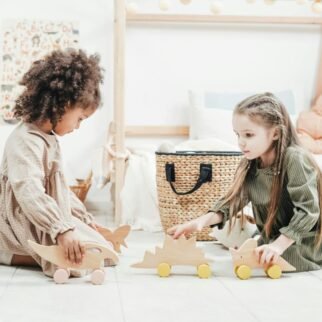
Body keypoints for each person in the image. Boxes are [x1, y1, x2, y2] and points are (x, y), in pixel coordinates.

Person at [168, 92, 322, 272]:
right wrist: (200, 222)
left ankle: (261, 243)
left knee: (261, 258)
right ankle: (256, 239)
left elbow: (308, 211)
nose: (241, 143)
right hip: (272, 238)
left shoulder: (294, 159)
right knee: (243, 246)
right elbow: (232, 202)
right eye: (238, 135)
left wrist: (278, 246)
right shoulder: (250, 164)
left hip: (303, 241)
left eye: (249, 135)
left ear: (276, 133)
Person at [0, 49, 112, 277]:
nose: (78, 127)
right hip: (22, 220)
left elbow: (61, 190)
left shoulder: (48, 138)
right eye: (80, 119)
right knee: (79, 259)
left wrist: (84, 220)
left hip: (46, 218)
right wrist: (61, 229)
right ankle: (12, 253)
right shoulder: (25, 141)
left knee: (105, 252)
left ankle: (47, 252)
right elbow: (30, 193)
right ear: (63, 104)